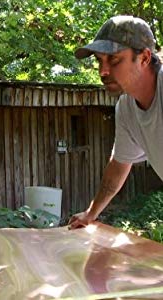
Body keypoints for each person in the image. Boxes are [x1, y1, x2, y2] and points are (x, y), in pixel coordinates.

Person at [68, 15, 163, 229]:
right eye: (99, 61)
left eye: (114, 60)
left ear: (145, 58)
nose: (103, 71)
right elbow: (119, 164)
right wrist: (91, 213)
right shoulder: (126, 108)